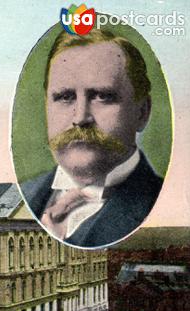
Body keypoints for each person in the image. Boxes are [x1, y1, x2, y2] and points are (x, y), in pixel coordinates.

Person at [21, 29, 163, 248]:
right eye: (65, 97)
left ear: (142, 112)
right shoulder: (25, 193)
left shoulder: (159, 202)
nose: (80, 118)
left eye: (103, 96)